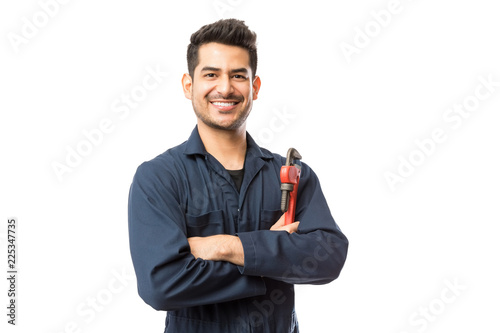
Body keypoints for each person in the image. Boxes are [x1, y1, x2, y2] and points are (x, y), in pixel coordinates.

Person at [128, 18, 348, 333]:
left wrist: (226, 247)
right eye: (211, 74)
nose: (225, 88)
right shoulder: (159, 177)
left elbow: (329, 257)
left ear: (254, 87)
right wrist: (271, 257)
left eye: (238, 75)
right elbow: (162, 284)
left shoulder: (291, 175)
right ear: (189, 85)